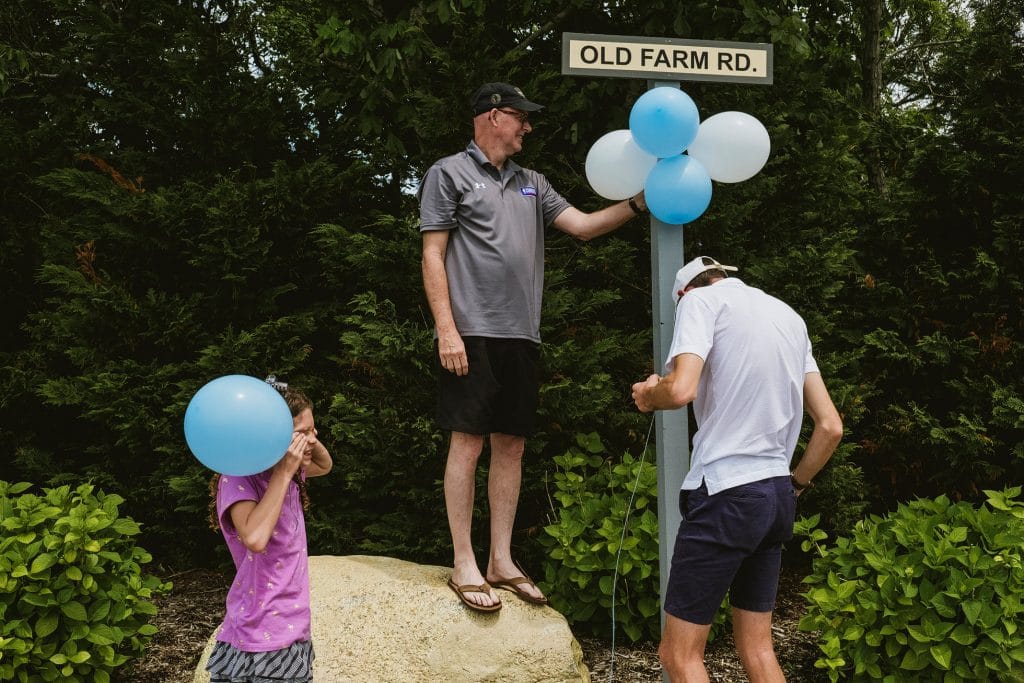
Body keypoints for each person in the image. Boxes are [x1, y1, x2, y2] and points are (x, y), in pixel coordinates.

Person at [419, 82, 648, 612]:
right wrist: (446, 330)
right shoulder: (448, 173)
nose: (528, 126)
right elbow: (433, 256)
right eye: (522, 117)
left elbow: (585, 227)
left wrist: (640, 202)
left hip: (522, 335)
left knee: (512, 446)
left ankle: (500, 559)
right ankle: (463, 563)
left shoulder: (533, 182)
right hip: (471, 333)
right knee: (467, 444)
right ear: (494, 116)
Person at [631, 256, 843, 682]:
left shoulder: (699, 303)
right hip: (775, 496)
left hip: (726, 493)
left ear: (685, 293)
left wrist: (650, 393)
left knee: (680, 655)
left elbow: (682, 388)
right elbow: (831, 427)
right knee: (758, 648)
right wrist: (796, 484)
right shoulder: (789, 317)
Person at [205, 379, 333, 683]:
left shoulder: (290, 470)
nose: (311, 441)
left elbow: (325, 465)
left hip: (292, 623)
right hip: (258, 631)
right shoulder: (238, 478)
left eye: (313, 431)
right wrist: (285, 470)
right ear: (268, 436)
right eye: (301, 434)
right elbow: (255, 538)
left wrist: (306, 437)